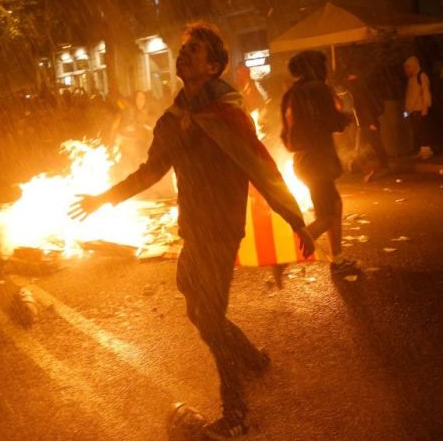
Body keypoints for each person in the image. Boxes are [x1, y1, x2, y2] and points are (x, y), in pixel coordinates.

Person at [69, 22, 314, 440]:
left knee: (210, 317)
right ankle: (252, 359)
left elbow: (263, 170)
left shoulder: (228, 116)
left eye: (194, 50)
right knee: (193, 302)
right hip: (194, 228)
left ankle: (236, 414)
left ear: (214, 65)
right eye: (183, 49)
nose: (184, 55)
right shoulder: (172, 120)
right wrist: (102, 198)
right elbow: (151, 171)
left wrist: (295, 219)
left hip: (221, 229)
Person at [281, 50, 355, 273]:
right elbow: (332, 121)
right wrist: (346, 115)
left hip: (304, 160)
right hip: (318, 160)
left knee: (334, 205)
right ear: (315, 67)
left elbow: (288, 131)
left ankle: (338, 258)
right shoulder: (317, 89)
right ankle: (284, 254)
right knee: (327, 215)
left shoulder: (292, 93)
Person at [343, 69, 389, 180]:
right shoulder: (359, 91)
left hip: (367, 124)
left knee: (374, 145)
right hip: (364, 124)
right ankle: (362, 167)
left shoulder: (359, 92)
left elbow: (365, 108)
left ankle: (384, 166)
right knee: (365, 146)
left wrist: (371, 123)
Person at [404, 56, 433, 159]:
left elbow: (426, 92)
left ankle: (427, 151)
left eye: (409, 67)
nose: (407, 69)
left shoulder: (422, 76)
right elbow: (410, 95)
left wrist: (425, 107)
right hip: (413, 110)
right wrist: (407, 109)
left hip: (421, 109)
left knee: (423, 131)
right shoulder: (411, 78)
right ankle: (422, 150)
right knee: (418, 131)